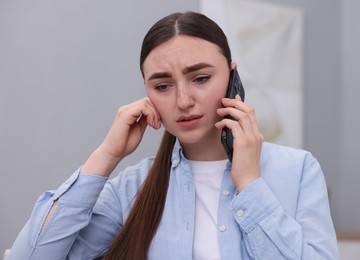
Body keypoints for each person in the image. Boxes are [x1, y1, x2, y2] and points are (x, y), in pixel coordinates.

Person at [7, 11, 339, 260]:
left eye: (200, 78)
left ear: (233, 78)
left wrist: (250, 185)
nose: (183, 101)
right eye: (163, 86)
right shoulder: (132, 189)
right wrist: (106, 155)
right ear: (148, 94)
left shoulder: (298, 171)